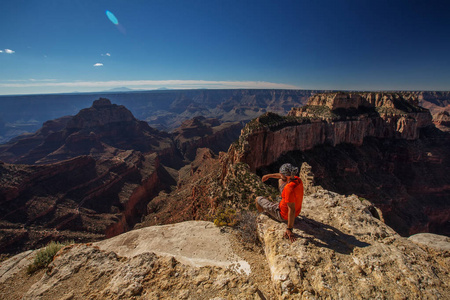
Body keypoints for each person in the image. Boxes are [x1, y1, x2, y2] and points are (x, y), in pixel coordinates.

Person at [255, 163, 304, 242]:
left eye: (282, 174)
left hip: (282, 215)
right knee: (280, 180)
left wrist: (289, 229)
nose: (280, 175)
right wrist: (268, 176)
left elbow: (291, 209)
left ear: (286, 176)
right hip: (297, 212)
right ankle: (282, 198)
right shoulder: (298, 180)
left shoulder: (288, 189)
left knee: (258, 199)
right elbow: (282, 176)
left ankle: (261, 213)